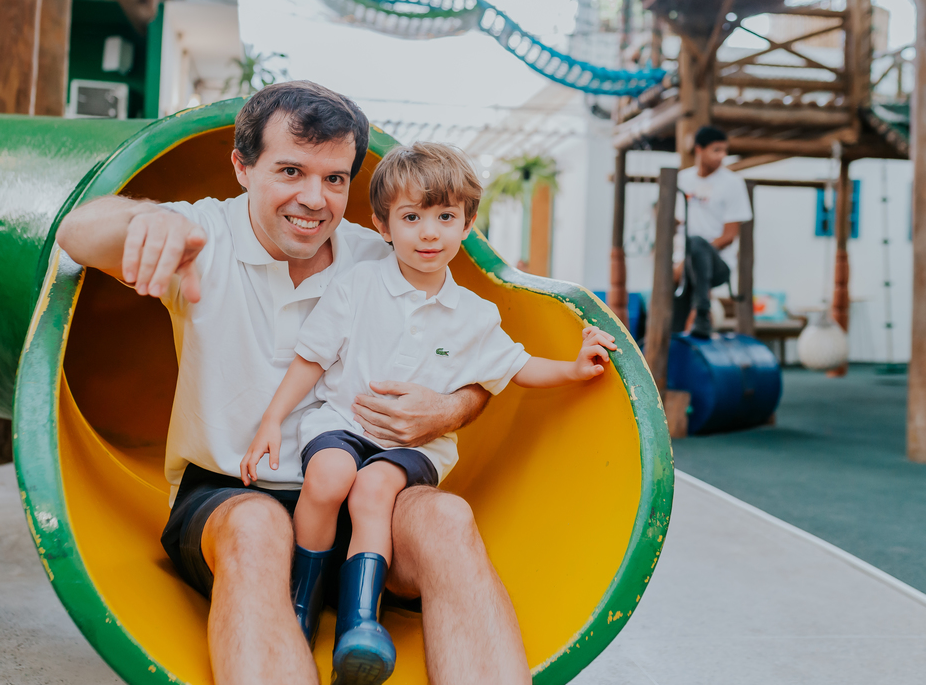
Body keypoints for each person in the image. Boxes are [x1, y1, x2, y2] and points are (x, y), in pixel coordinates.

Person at [54, 81, 534, 685]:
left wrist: (448, 409)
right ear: (242, 166)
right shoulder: (204, 238)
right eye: (290, 171)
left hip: (363, 497)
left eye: (334, 179)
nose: (314, 199)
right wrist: (146, 222)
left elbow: (477, 361)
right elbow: (78, 230)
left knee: (446, 519)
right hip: (233, 494)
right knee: (260, 528)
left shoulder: (384, 259)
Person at [240, 142, 617, 684]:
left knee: (373, 491)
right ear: (383, 225)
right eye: (411, 218)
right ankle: (299, 606)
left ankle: (359, 624)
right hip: (342, 424)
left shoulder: (474, 315)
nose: (429, 233)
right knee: (327, 477)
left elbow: (517, 367)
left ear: (467, 225)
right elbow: (310, 358)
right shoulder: (359, 286)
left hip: (414, 448)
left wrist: (575, 368)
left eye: (445, 217)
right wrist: (273, 420)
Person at [673, 125, 753, 338]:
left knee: (697, 243)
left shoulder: (732, 183)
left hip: (718, 264)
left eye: (724, 151)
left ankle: (702, 314)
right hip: (685, 263)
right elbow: (676, 222)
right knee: (671, 303)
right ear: (699, 150)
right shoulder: (683, 179)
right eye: (716, 150)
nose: (722, 156)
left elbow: (729, 235)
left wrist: (693, 252)